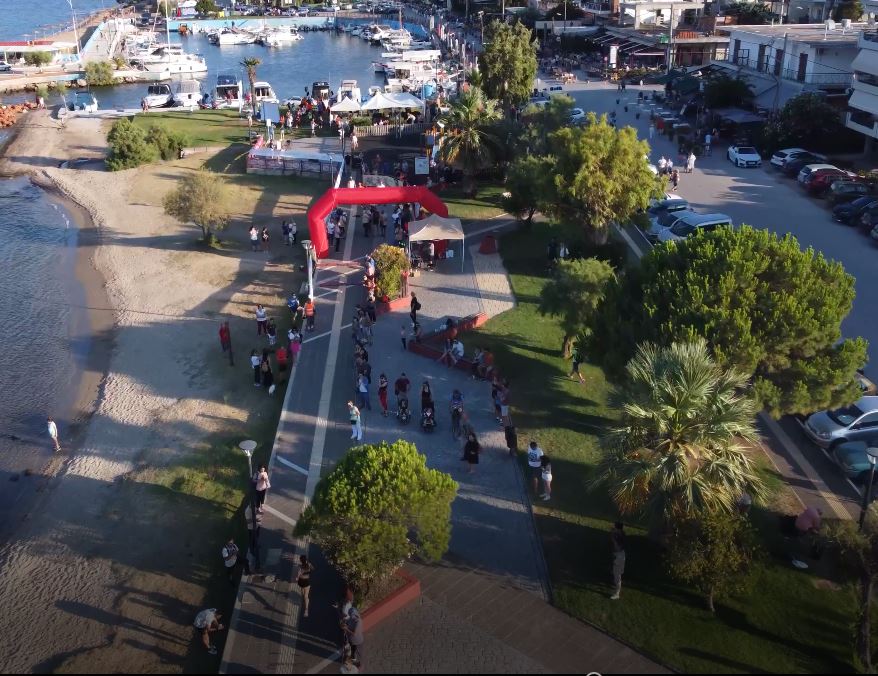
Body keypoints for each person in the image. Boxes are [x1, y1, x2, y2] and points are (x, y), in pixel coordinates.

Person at [610, 522, 626, 600]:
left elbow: (616, 546)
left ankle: (617, 594)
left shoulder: (619, 536)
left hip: (619, 556)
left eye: (615, 527)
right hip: (619, 555)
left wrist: (613, 537)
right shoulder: (620, 533)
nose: (614, 528)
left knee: (617, 576)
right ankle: (616, 586)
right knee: (616, 573)